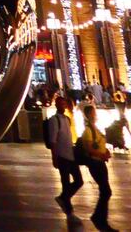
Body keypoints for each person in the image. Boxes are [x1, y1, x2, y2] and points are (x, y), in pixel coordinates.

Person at [79, 104, 116, 232]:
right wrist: (102, 155)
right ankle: (100, 220)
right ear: (89, 115)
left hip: (100, 162)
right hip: (95, 164)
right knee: (106, 191)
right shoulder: (88, 131)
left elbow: (98, 144)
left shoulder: (95, 129)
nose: (96, 115)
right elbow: (89, 149)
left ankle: (99, 218)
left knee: (105, 191)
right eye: (94, 112)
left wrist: (105, 151)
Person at [47, 96, 83, 220]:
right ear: (57, 105)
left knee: (79, 181)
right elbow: (53, 140)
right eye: (61, 104)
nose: (63, 106)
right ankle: (68, 207)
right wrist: (54, 156)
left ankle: (63, 198)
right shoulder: (54, 120)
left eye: (64, 104)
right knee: (65, 182)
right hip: (62, 155)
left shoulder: (67, 119)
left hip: (70, 154)